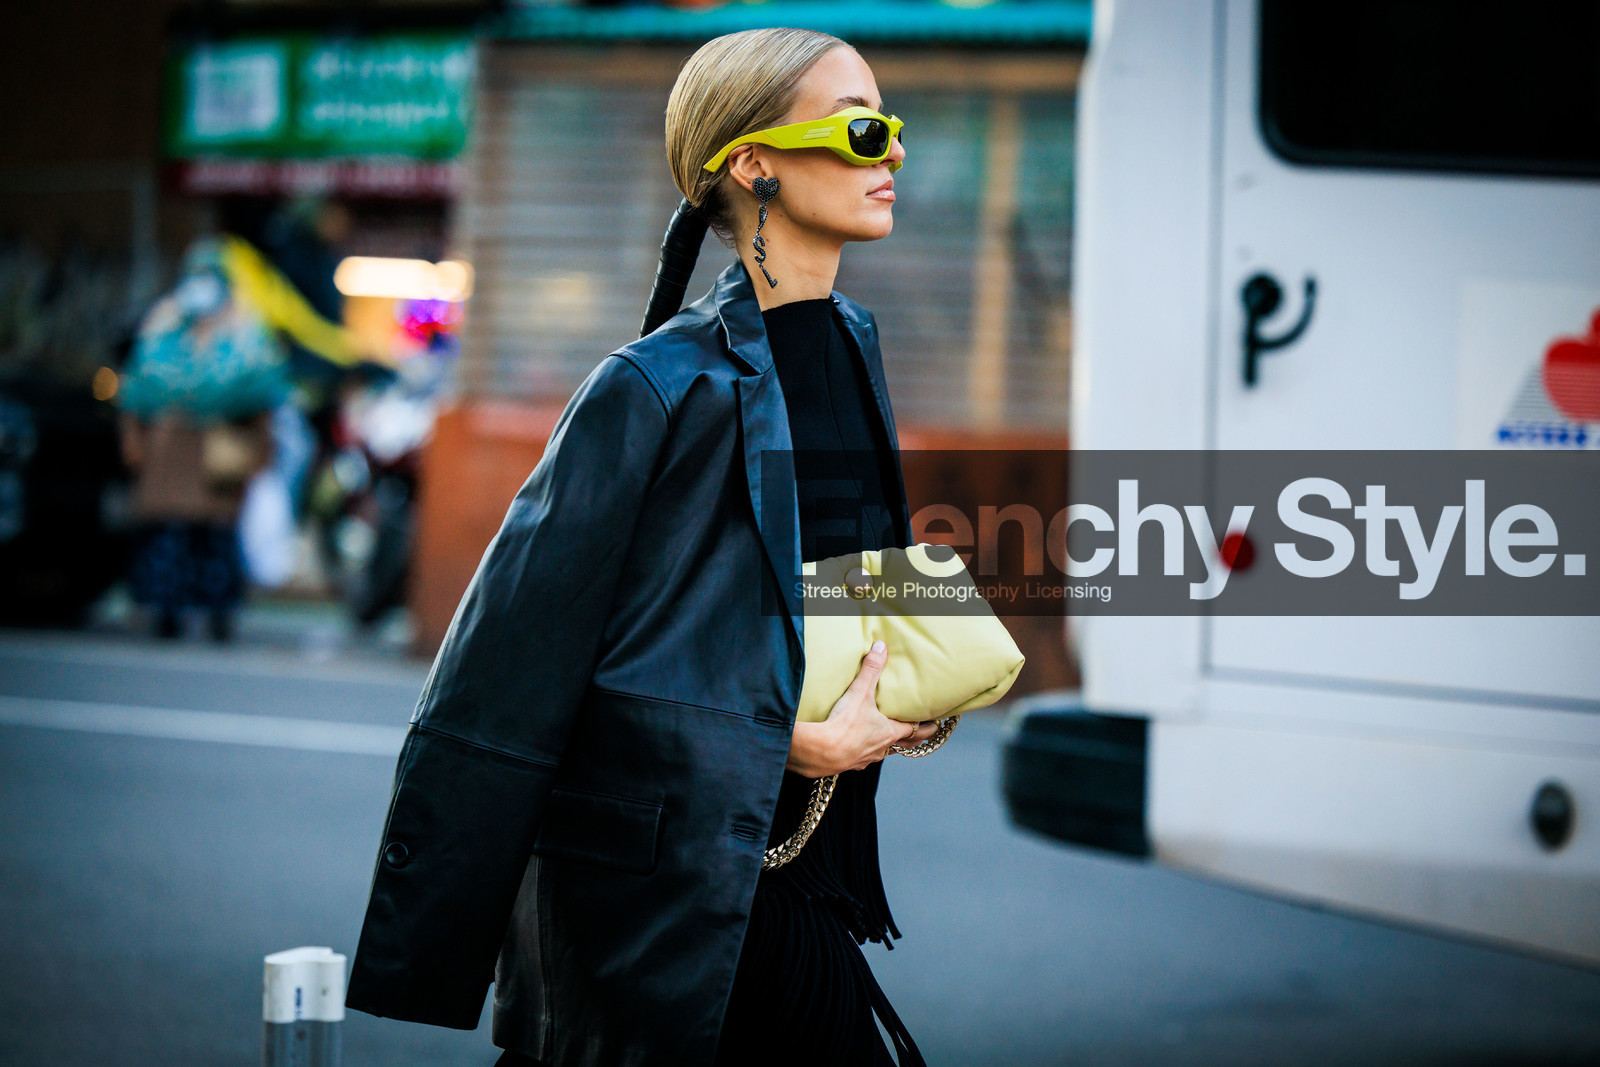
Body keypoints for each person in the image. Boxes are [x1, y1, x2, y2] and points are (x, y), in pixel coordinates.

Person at [344, 27, 936, 1065]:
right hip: (670, 905)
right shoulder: (652, 385)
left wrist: (912, 683)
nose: (891, 153)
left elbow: (845, 593)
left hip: (800, 867)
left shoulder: (851, 347)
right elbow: (508, 678)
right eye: (861, 128)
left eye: (892, 129)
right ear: (753, 161)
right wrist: (784, 739)